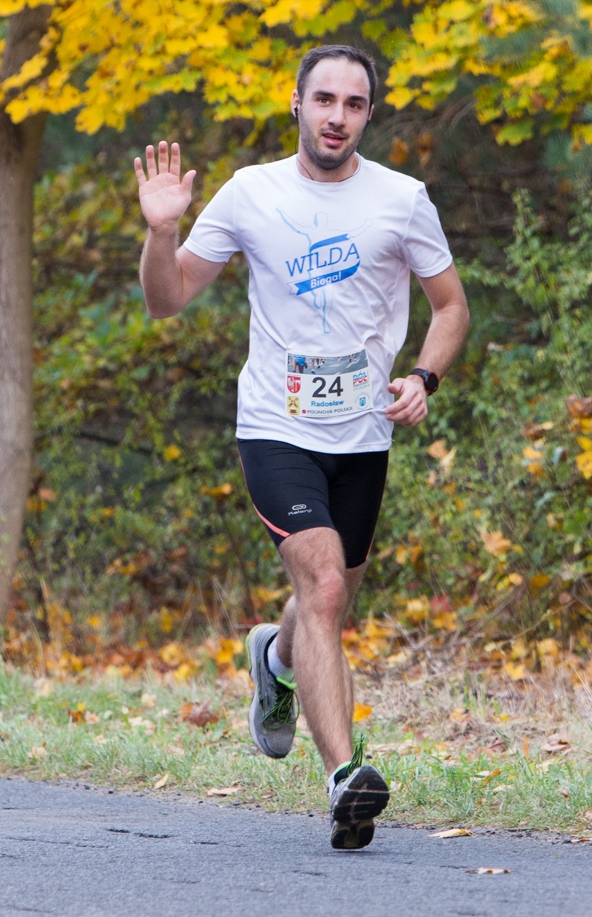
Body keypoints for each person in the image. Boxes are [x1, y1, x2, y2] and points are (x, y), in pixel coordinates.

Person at [135, 44, 469, 849]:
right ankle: (347, 778)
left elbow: (451, 306)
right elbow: (168, 298)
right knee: (322, 585)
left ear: (367, 115)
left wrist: (424, 376)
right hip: (275, 427)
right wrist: (162, 231)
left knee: (330, 599)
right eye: (324, 99)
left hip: (363, 435)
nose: (336, 117)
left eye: (353, 105)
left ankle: (275, 661)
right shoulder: (251, 193)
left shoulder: (402, 199)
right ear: (296, 103)